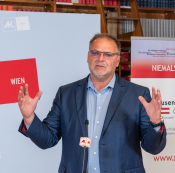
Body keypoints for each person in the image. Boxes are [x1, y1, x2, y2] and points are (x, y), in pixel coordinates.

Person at [18, 33, 166, 173]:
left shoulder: (138, 94)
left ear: (118, 60)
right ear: (88, 56)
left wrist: (155, 122)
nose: (100, 58)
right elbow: (47, 140)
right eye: (95, 53)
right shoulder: (66, 93)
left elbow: (153, 148)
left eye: (108, 54)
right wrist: (29, 117)